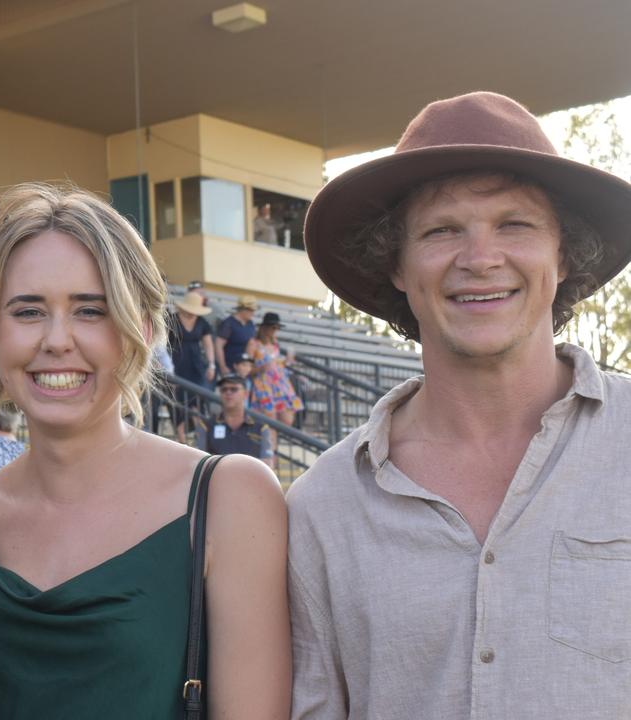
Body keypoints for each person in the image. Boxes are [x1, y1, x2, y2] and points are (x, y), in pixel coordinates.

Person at [289, 91, 631, 719]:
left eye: (515, 224)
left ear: (563, 253)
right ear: (397, 264)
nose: (479, 259)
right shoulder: (322, 507)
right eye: (442, 230)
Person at [0, 183, 289, 718]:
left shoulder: (229, 498)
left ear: (140, 330)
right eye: (28, 311)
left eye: (90, 311)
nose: (56, 340)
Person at [167, 289, 215, 443]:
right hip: (176, 364)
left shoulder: (202, 323)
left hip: (196, 365)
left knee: (198, 401)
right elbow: (161, 344)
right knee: (178, 402)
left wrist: (212, 364)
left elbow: (208, 344)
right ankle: (182, 440)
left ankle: (201, 440)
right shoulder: (171, 319)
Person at [197, 374, 275, 469]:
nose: (228, 392)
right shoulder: (206, 425)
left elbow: (267, 463)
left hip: (249, 481)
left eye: (233, 389)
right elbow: (199, 461)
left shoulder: (260, 427)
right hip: (218, 481)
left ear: (245, 394)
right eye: (224, 390)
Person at [248, 312, 301, 430]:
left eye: (277, 328)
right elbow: (247, 368)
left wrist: (286, 362)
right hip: (263, 384)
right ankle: (271, 446)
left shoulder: (275, 344)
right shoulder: (253, 344)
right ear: (264, 327)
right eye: (273, 327)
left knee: (287, 419)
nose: (275, 330)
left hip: (280, 384)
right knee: (269, 421)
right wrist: (261, 368)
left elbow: (276, 364)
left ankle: (273, 443)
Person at [214, 294, 257, 375]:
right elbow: (218, 345)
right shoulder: (229, 323)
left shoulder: (250, 324)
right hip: (229, 366)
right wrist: (222, 366)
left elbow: (251, 345)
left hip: (243, 369)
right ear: (243, 309)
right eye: (251, 310)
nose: (253, 313)